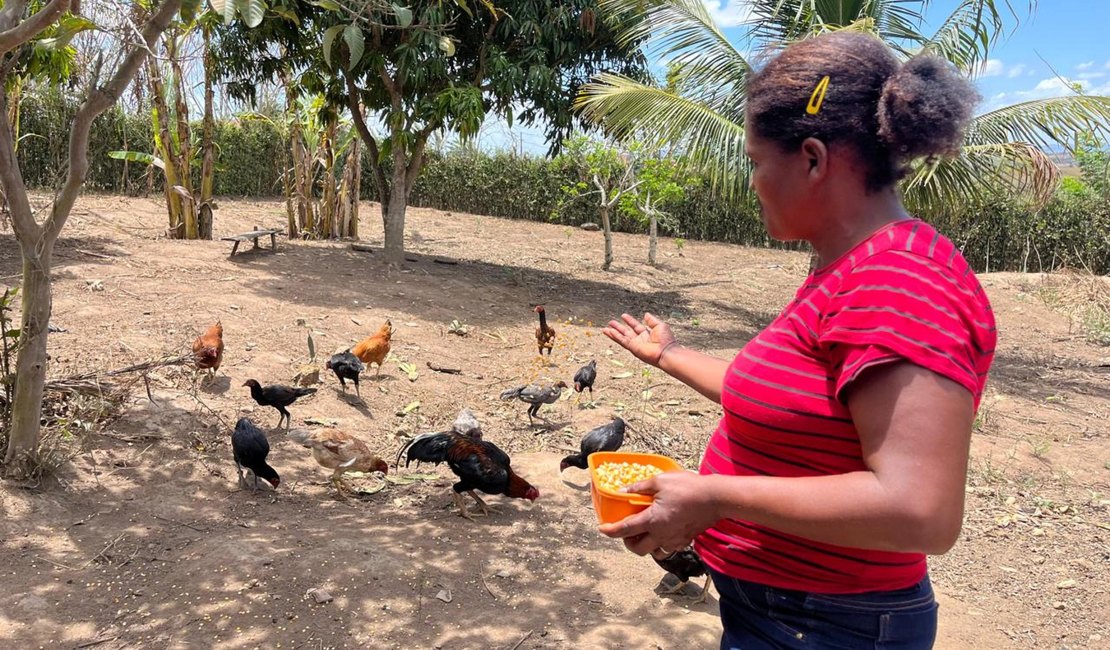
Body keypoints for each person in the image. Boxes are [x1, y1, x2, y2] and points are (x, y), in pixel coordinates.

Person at [599, 31, 997, 650]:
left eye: (758, 162)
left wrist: (712, 497)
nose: (754, 182)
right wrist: (671, 356)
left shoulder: (898, 282)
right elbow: (796, 403)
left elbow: (921, 510)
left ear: (812, 158)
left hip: (827, 624)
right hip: (787, 614)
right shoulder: (848, 267)